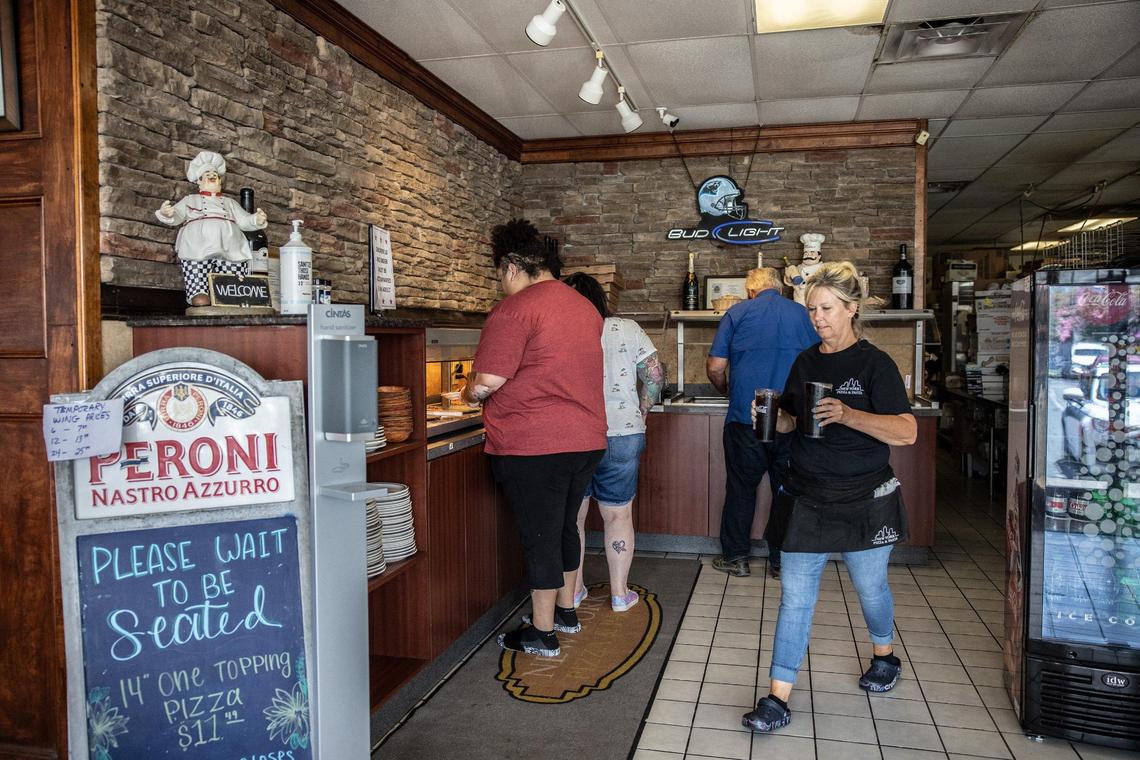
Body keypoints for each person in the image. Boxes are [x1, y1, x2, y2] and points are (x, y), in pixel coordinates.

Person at [742, 261, 917, 733]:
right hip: (806, 495)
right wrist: (770, 417)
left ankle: (885, 655)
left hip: (866, 497)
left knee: (871, 588)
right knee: (795, 599)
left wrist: (848, 414)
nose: (817, 317)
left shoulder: (875, 364)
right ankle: (777, 699)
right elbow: (792, 422)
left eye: (826, 308)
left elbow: (907, 432)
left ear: (851, 308)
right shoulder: (805, 362)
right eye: (812, 309)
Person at [463, 230, 607, 658]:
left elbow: (487, 382)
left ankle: (542, 634)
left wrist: (469, 392)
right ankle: (566, 612)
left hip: (535, 443)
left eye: (499, 275)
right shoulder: (583, 306)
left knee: (540, 535)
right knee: (564, 527)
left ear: (512, 267)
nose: (502, 284)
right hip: (585, 439)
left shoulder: (516, 308)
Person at [706, 267, 817, 579]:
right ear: (779, 288)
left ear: (750, 291)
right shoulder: (803, 314)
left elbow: (716, 366)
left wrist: (728, 390)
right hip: (790, 420)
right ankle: (781, 562)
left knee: (741, 489)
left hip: (745, 419)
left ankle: (736, 558)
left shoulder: (737, 313)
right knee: (787, 490)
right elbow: (820, 359)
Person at [564, 273, 665, 613]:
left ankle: (574, 592)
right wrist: (642, 411)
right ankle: (620, 595)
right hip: (624, 431)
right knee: (618, 515)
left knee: (573, 518)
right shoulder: (628, 328)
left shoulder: (561, 328)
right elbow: (654, 376)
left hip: (575, 434)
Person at [155, 151, 268, 306]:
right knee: (197, 269)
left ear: (220, 181)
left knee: (233, 273)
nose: (212, 176)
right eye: (208, 174)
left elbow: (244, 220)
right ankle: (198, 292)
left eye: (215, 174)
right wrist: (167, 213)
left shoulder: (229, 203)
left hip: (230, 246)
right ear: (199, 181)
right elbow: (178, 215)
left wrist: (256, 219)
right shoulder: (191, 200)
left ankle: (233, 293)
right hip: (198, 247)